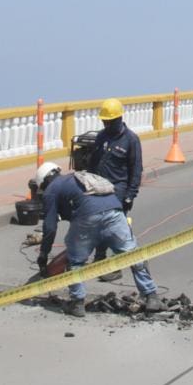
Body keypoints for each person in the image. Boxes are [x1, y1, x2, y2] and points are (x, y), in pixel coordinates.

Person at [32, 161, 164, 317]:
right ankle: (152, 297)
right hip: (115, 212)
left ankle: (77, 303)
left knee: (75, 262)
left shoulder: (51, 190)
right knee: (134, 255)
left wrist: (43, 254)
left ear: (44, 181)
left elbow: (50, 227)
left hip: (87, 218)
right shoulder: (75, 178)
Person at [88, 98, 143, 282]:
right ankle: (99, 259)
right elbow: (93, 164)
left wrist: (130, 195)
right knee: (99, 225)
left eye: (110, 121)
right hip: (99, 188)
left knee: (115, 229)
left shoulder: (131, 140)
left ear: (119, 119)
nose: (107, 124)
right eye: (105, 121)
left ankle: (118, 265)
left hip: (119, 189)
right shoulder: (102, 137)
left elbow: (136, 170)